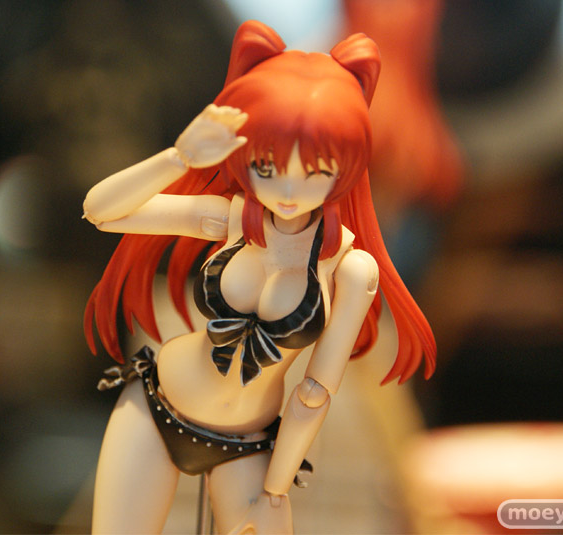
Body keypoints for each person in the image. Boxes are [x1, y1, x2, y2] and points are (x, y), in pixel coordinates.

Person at [82, 20, 435, 534]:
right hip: (157, 406)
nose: (288, 190)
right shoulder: (228, 220)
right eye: (267, 167)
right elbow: (101, 211)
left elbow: (315, 390)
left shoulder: (350, 268)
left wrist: (277, 486)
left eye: (315, 171)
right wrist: (179, 157)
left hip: (249, 445)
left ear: (346, 167)